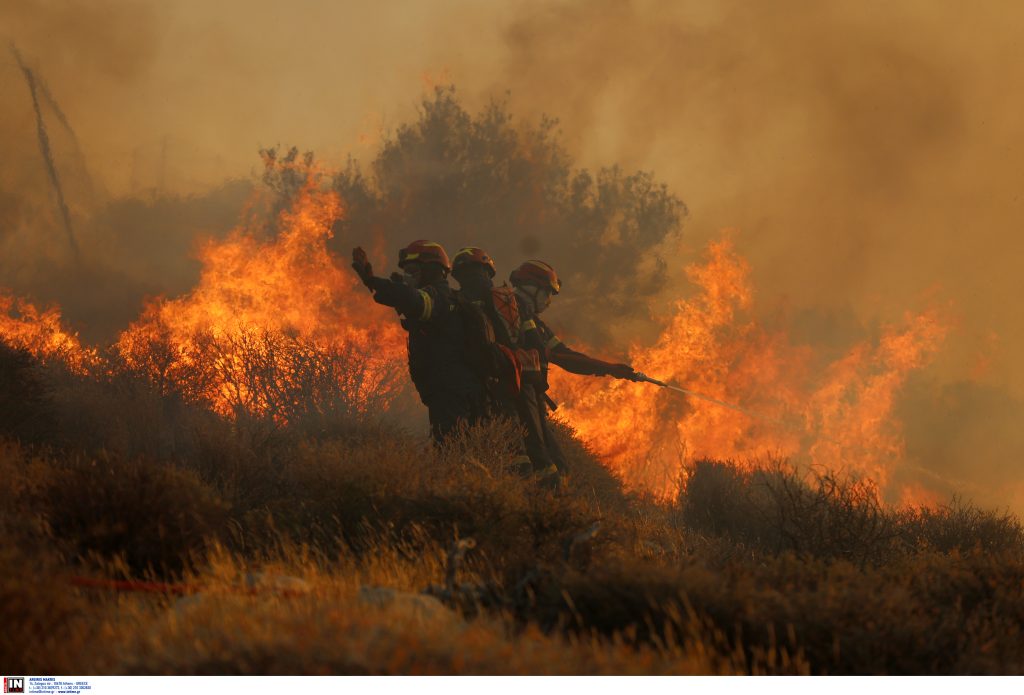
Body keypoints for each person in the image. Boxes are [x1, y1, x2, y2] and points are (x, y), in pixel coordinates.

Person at [510, 260, 642, 476]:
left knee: (559, 467)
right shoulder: (517, 317)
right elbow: (559, 357)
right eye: (546, 293)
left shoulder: (535, 324)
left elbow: (566, 354)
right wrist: (608, 368)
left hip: (532, 402)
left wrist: (609, 368)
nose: (548, 301)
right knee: (545, 471)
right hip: (519, 404)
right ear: (531, 288)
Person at [351, 240, 486, 443]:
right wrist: (398, 288)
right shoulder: (449, 298)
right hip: (457, 389)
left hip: (450, 392)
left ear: (432, 270)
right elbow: (409, 300)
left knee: (450, 450)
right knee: (467, 450)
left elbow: (413, 300)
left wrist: (373, 281)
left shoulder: (438, 298)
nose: (408, 275)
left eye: (413, 270)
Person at [448, 247, 556, 480]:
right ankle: (549, 500)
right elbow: (538, 347)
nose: (548, 301)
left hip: (483, 388)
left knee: (506, 449)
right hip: (520, 386)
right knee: (539, 453)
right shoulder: (508, 300)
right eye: (548, 293)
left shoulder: (456, 302)